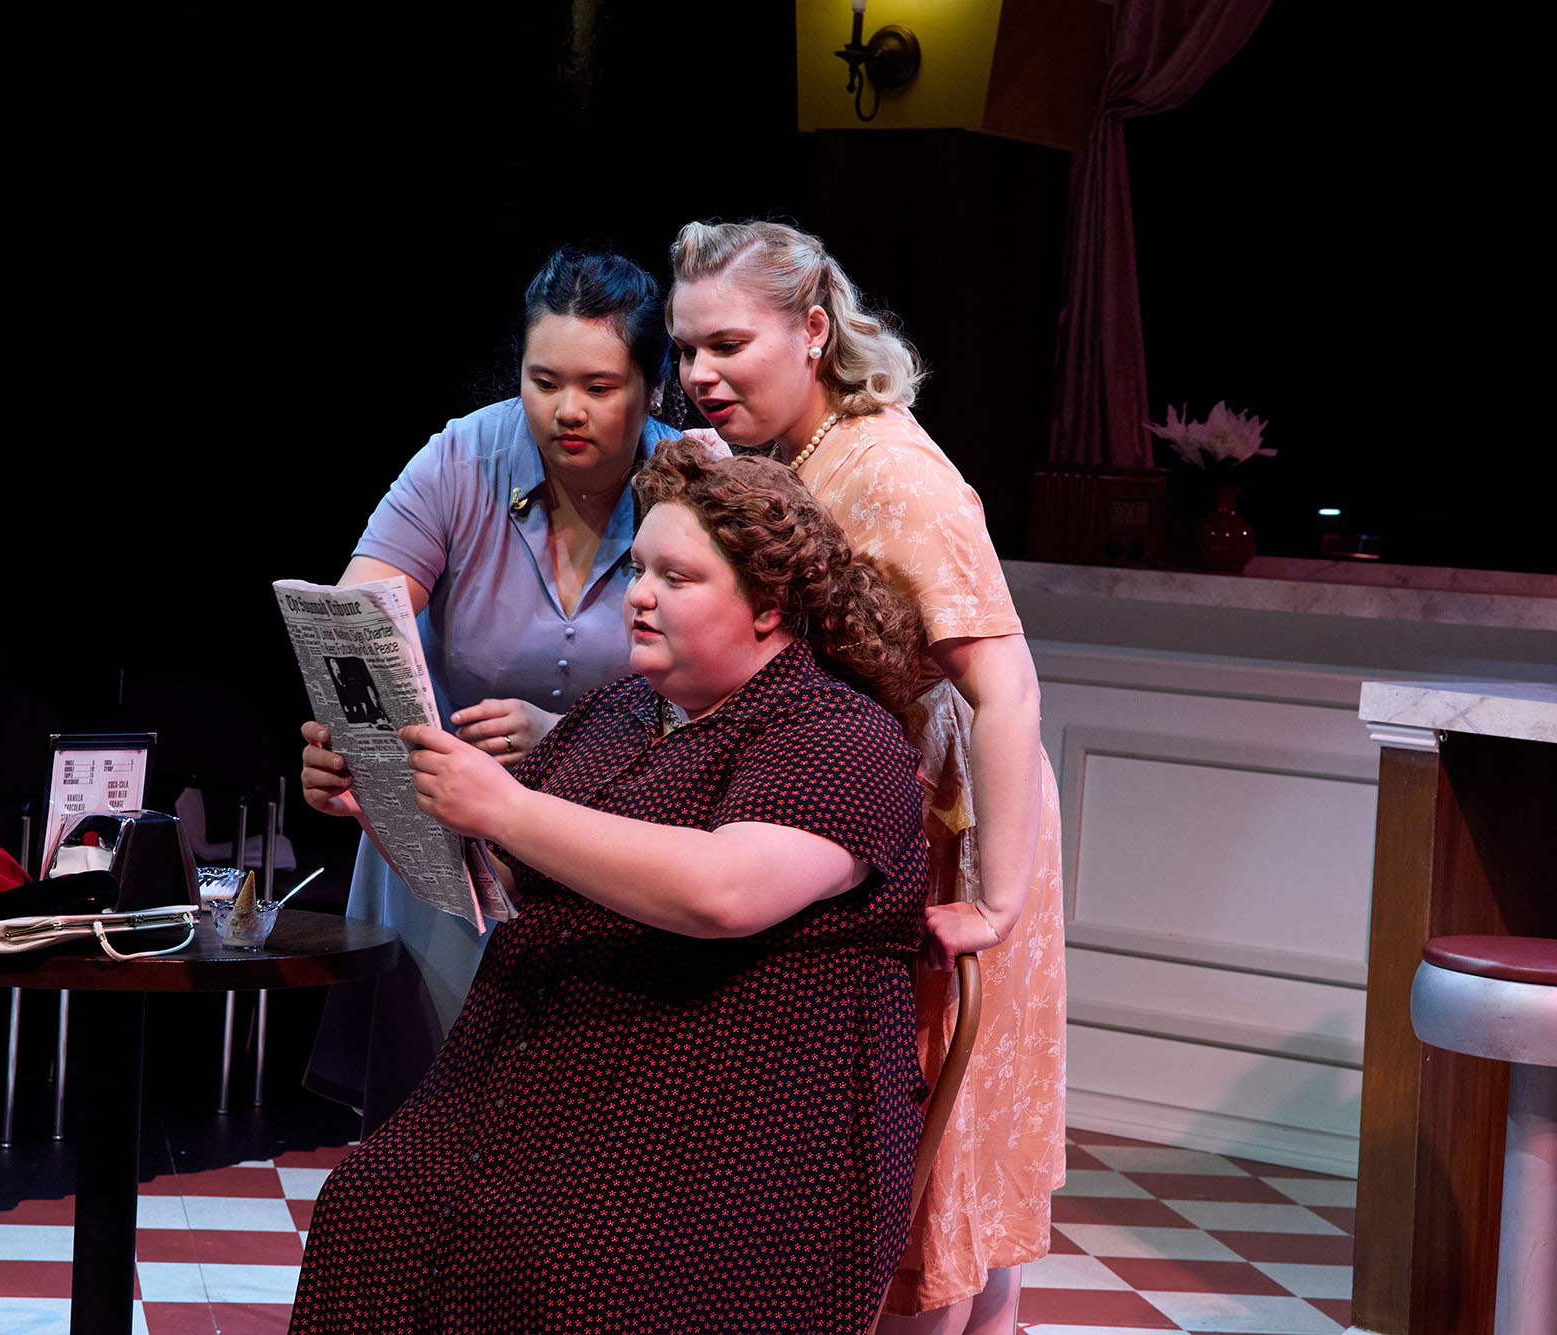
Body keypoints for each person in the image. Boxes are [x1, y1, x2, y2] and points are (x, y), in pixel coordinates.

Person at [291, 438, 934, 1334]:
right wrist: (386, 802)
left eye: (678, 576)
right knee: (371, 1211)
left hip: (734, 1130)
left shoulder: (838, 737)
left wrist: (505, 808)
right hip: (552, 1096)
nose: (638, 595)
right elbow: (506, 879)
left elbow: (725, 890)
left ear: (769, 605)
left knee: (569, 1265)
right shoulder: (620, 712)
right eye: (639, 568)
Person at [667, 220, 1066, 1335]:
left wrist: (993, 896)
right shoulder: (787, 456)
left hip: (947, 829)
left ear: (810, 328)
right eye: (686, 348)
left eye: (727, 345)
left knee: (933, 1149)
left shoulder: (890, 470)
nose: (699, 373)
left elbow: (1007, 688)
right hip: (870, 811)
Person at [301, 248, 683, 1131]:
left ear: (653, 385)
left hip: (613, 850)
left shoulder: (692, 481)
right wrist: (341, 742)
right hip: (443, 850)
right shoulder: (463, 458)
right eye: (543, 380)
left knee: (568, 1147)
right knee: (421, 1135)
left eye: (599, 384)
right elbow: (357, 629)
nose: (566, 409)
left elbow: (726, 705)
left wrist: (566, 735)